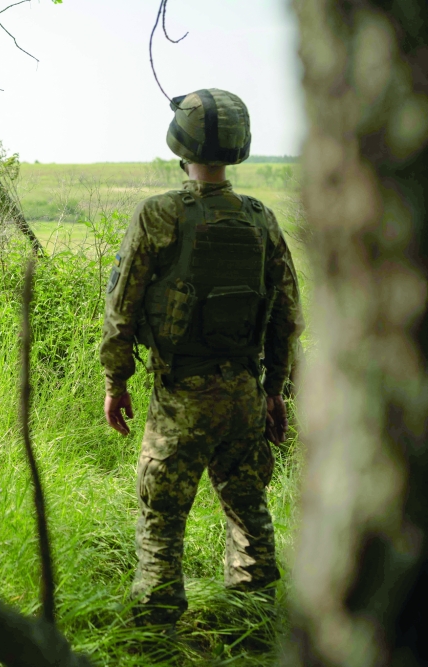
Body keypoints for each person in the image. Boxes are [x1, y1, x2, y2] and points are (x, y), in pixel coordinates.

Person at [99, 88, 304, 626]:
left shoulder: (159, 214)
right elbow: (287, 315)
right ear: (240, 145)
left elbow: (122, 307)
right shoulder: (262, 220)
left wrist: (116, 381)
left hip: (181, 399)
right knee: (248, 510)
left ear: (180, 144)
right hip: (243, 394)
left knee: (161, 517)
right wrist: (275, 392)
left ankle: (156, 629)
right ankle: (254, 626)